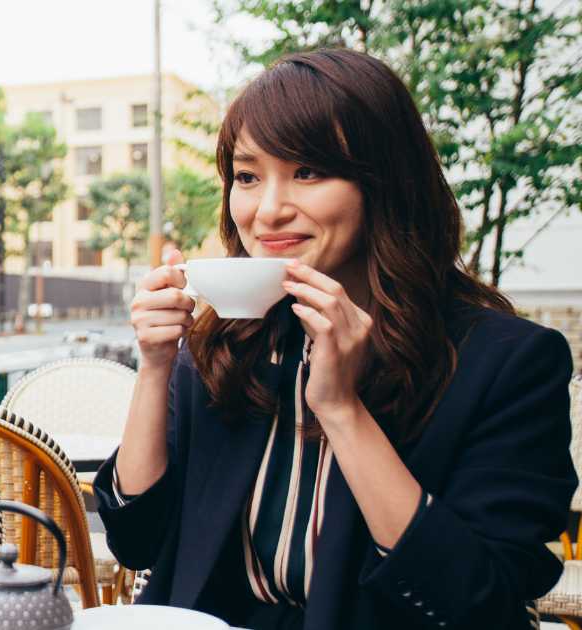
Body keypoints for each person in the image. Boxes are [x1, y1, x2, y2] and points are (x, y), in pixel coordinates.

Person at [98, 48, 576, 630]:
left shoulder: (505, 363)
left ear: (385, 183)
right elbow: (136, 543)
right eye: (247, 177)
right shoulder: (227, 343)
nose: (268, 211)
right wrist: (154, 366)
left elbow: (477, 602)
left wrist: (343, 409)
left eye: (308, 172)